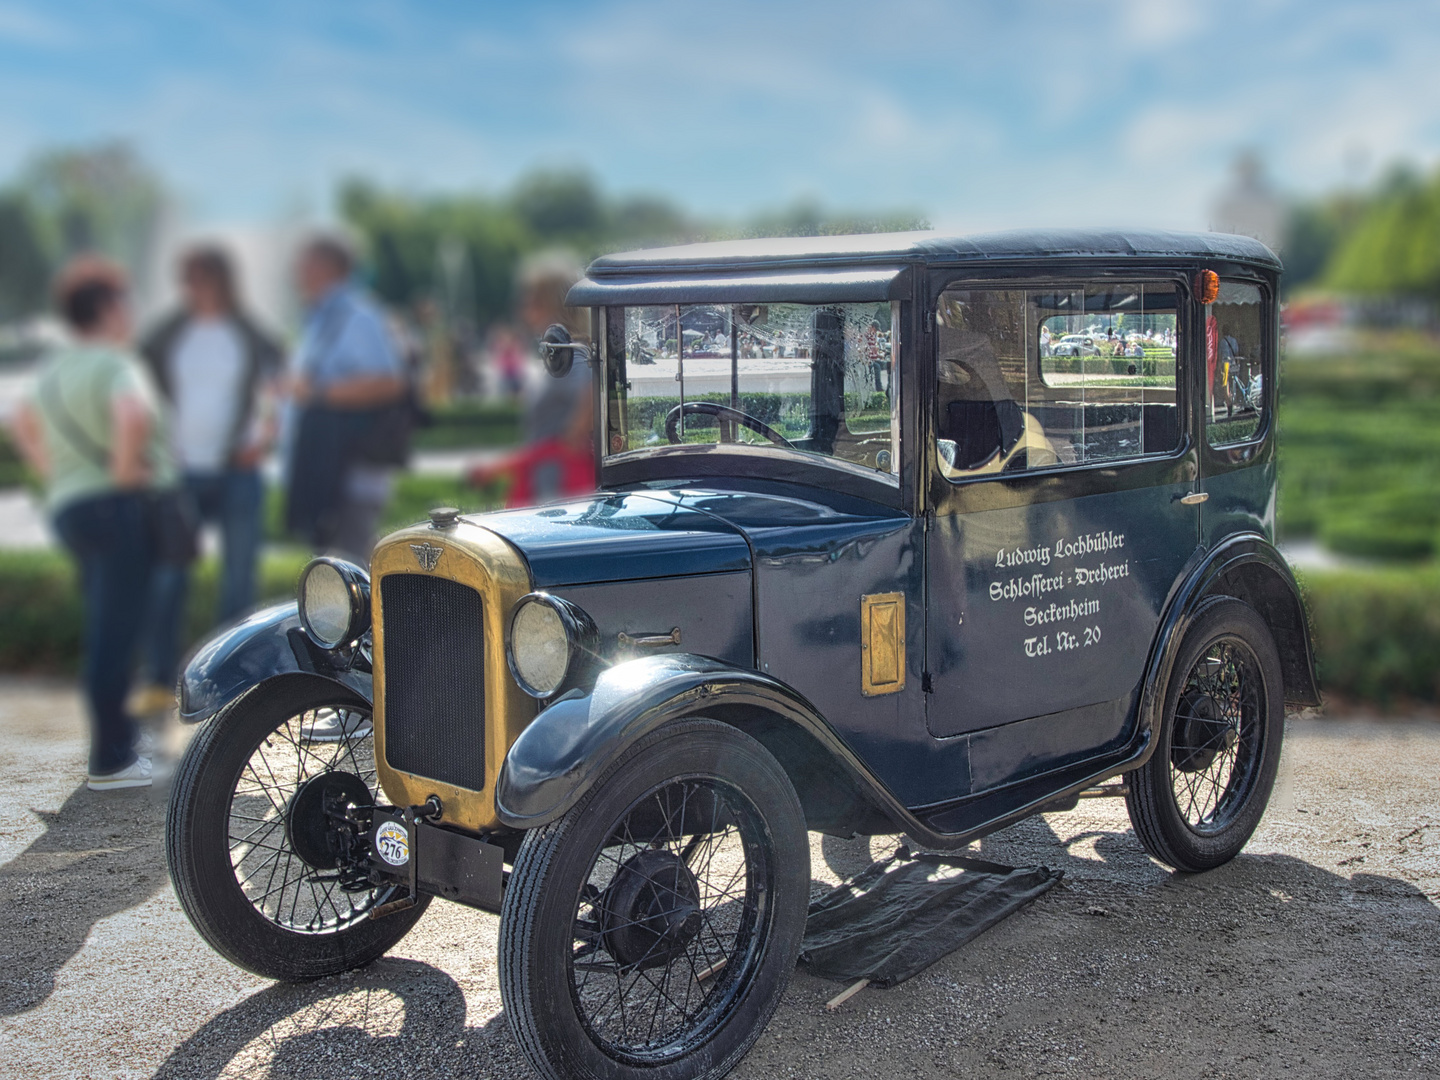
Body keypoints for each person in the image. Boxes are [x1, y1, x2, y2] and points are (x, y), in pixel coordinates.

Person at [9, 257, 177, 790]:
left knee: (109, 623)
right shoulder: (114, 363)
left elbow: (18, 419)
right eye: (124, 301)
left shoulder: (55, 368)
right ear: (107, 309)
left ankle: (119, 739)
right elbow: (131, 415)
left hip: (71, 508)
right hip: (115, 506)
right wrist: (125, 471)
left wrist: (52, 471)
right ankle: (111, 759)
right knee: (115, 631)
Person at [131, 245, 284, 714]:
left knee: (238, 580)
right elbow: (135, 392)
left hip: (237, 471)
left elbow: (283, 393)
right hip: (180, 474)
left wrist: (261, 441)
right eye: (188, 278)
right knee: (167, 576)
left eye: (201, 276)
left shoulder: (252, 335)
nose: (193, 287)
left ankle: (230, 683)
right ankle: (159, 678)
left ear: (223, 279)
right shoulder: (165, 336)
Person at [283, 234, 407, 562]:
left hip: (351, 471)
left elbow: (389, 382)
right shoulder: (323, 315)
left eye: (304, 261)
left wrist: (318, 392)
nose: (296, 269)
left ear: (327, 266)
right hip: (328, 468)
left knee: (349, 575)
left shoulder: (357, 314)